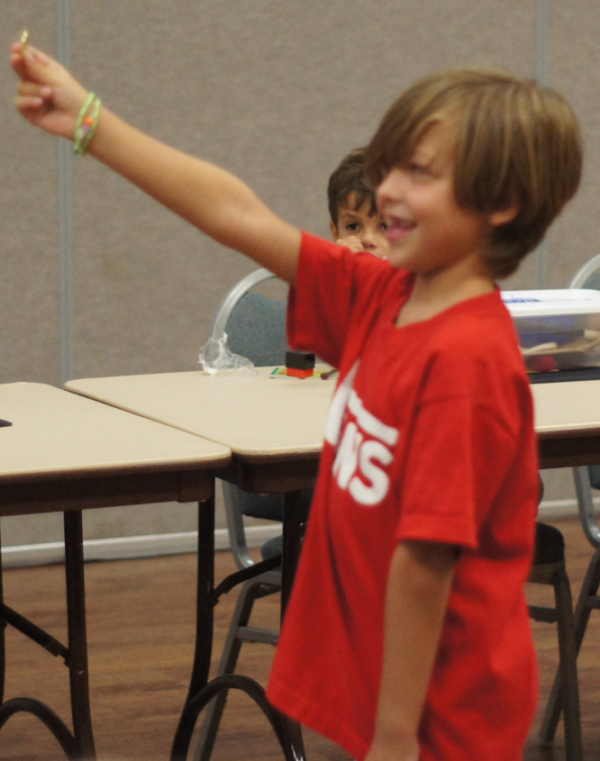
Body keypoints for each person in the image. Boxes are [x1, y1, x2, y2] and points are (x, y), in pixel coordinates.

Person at [12, 43, 582, 761]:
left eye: (419, 173)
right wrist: (90, 122)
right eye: (390, 166)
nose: (388, 191)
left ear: (500, 205)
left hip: (441, 718)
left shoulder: (468, 363)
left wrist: (396, 738)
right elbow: (238, 213)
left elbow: (426, 562)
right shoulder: (382, 295)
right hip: (387, 695)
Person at [328, 147, 389, 258]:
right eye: (353, 226)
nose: (368, 239)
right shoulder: (333, 267)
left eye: (385, 226)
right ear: (335, 232)